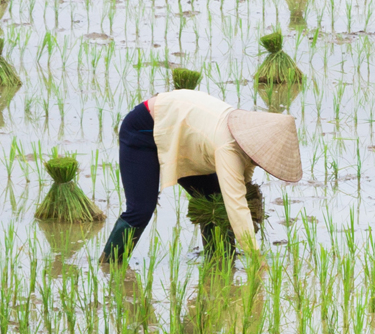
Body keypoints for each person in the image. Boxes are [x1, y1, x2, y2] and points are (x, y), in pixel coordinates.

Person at [101, 86, 302, 263]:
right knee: (141, 208)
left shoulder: (251, 141)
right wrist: (256, 258)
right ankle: (110, 266)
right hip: (144, 127)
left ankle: (220, 262)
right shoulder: (228, 145)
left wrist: (251, 207)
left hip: (183, 135)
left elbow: (243, 180)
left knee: (213, 199)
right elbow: (236, 204)